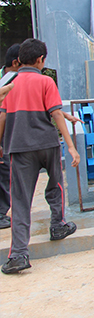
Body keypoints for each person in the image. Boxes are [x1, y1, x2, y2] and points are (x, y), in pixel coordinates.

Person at [0, 38, 81, 274]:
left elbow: (3, 117)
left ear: (18, 60)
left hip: (20, 147)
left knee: (21, 200)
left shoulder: (9, 83)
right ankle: (58, 225)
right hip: (47, 144)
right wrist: (71, 146)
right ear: (40, 60)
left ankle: (18, 255)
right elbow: (55, 113)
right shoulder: (46, 81)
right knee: (55, 186)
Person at [0, 44, 21, 229]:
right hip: (2, 137)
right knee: (3, 172)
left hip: (8, 135)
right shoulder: (10, 82)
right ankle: (0, 213)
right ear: (15, 63)